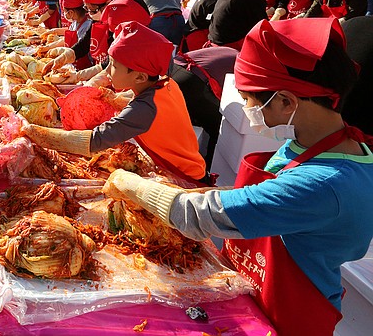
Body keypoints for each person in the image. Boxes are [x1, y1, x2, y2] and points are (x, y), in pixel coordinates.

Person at [105, 17, 373, 336]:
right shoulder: (311, 142)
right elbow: (256, 201)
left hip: (288, 313)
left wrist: (129, 183)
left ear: (287, 101)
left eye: (248, 100)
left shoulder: (327, 182)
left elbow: (200, 215)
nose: (244, 106)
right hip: (252, 288)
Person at [26, 21, 207, 183]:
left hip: (183, 179)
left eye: (113, 66)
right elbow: (112, 86)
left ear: (140, 76)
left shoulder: (144, 109)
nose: (108, 71)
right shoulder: (164, 83)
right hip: (184, 168)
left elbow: (96, 140)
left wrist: (35, 133)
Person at [170, 46, 238, 169]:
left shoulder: (230, 51)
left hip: (174, 69)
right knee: (220, 128)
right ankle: (209, 172)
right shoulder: (244, 63)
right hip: (192, 81)